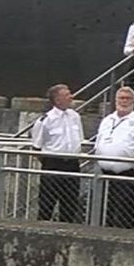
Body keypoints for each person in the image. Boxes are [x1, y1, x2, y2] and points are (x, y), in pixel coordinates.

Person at [93, 86, 134, 229]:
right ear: (115, 100)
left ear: (133, 101)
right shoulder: (107, 120)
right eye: (121, 98)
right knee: (106, 210)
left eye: (127, 98)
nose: (124, 101)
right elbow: (98, 142)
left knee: (125, 210)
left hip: (127, 173)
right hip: (105, 174)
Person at [29, 83, 83, 223]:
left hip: (72, 164)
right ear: (57, 100)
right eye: (67, 95)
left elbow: (79, 140)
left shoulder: (75, 116)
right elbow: (37, 148)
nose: (71, 97)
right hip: (53, 164)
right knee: (47, 203)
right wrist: (50, 161)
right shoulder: (45, 120)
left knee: (70, 204)